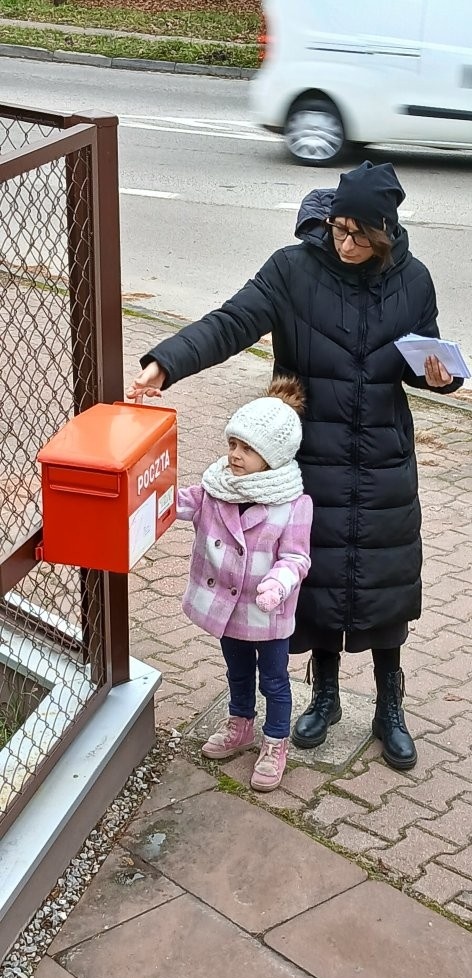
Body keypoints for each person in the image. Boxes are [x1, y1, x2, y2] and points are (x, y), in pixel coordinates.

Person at [127, 160, 463, 773]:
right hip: (310, 455)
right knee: (317, 579)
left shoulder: (413, 280)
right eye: (339, 228)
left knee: (385, 581)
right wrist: (165, 364)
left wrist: (440, 379)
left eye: (361, 235)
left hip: (384, 457)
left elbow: (423, 356)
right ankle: (324, 696)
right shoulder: (292, 270)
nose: (346, 244)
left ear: (387, 232)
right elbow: (230, 322)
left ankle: (389, 706)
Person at [174, 377, 313, 792]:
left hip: (266, 612)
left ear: (271, 457)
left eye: (247, 449)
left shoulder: (293, 504)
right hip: (227, 608)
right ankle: (241, 723)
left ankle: (276, 741)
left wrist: (278, 584)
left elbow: (296, 557)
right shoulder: (215, 489)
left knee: (274, 679)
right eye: (232, 444)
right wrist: (149, 492)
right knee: (237, 670)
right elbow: (178, 502)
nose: (234, 454)